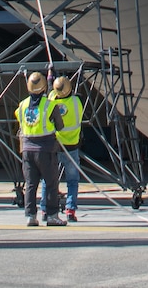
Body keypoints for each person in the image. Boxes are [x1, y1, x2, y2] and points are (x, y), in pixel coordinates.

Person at [17, 71, 65, 227]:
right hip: (45, 149)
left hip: (27, 150)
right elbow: (60, 126)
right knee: (51, 184)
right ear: (44, 88)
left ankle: (30, 216)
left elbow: (21, 122)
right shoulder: (50, 105)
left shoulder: (22, 105)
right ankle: (52, 216)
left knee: (31, 184)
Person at [48, 74, 84, 222]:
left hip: (55, 146)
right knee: (72, 181)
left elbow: (50, 91)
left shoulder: (51, 100)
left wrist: (50, 76)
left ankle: (45, 209)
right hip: (71, 147)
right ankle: (70, 210)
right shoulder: (76, 102)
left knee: (49, 180)